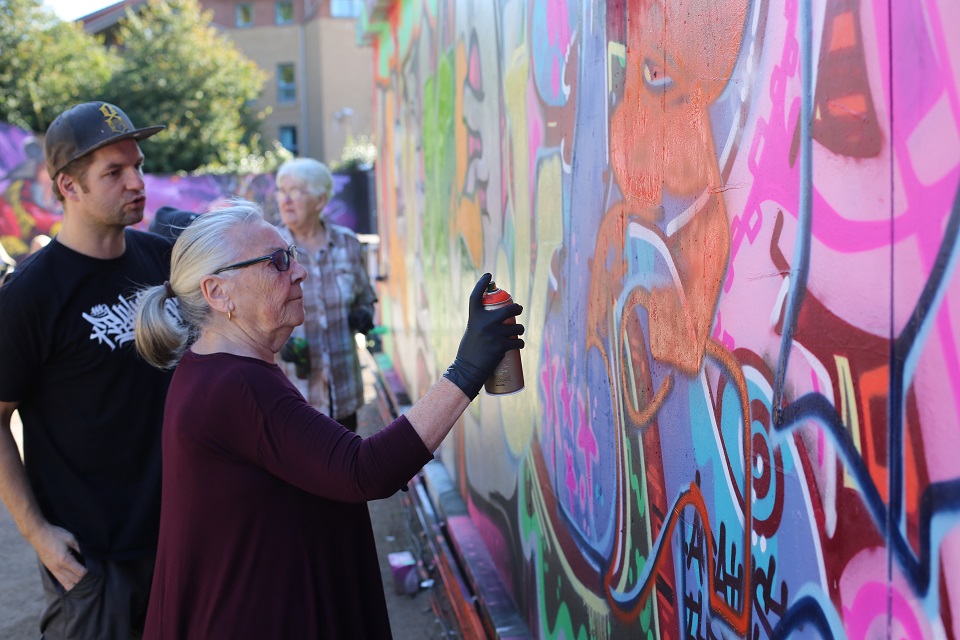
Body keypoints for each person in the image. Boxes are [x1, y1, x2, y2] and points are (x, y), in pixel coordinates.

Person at [133, 201, 523, 638]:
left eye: (292, 255)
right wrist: (467, 369)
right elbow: (365, 470)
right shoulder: (236, 385)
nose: (299, 272)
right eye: (277, 262)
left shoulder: (214, 367)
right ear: (219, 293)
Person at [0, 101, 173, 638]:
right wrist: (38, 533)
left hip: (182, 534)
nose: (136, 182)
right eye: (114, 172)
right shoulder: (30, 295)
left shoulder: (164, 263)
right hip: (93, 558)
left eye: (138, 165)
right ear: (69, 187)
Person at [273, 157, 376, 432]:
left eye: (295, 192)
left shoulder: (348, 243)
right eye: (281, 191)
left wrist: (364, 314)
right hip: (294, 393)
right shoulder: (271, 251)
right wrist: (278, 345)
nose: (285, 200)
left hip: (344, 390)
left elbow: (366, 297)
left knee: (345, 468)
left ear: (320, 201)